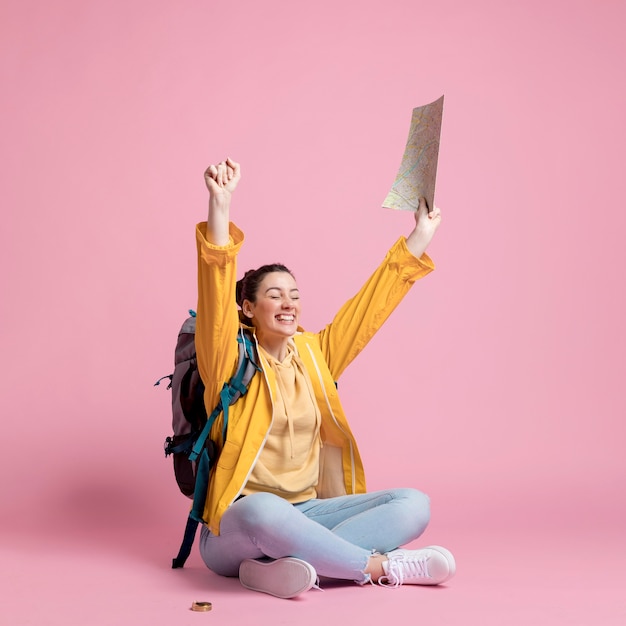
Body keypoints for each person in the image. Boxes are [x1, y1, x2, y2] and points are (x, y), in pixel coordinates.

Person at [195, 157, 455, 599]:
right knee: (264, 510)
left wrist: (420, 236)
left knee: (414, 504)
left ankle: (278, 570)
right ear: (248, 308)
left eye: (294, 295)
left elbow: (369, 309)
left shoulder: (315, 356)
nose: (288, 303)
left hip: (310, 513)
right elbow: (215, 291)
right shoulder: (227, 360)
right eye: (274, 295)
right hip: (235, 525)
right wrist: (219, 207)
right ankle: (379, 567)